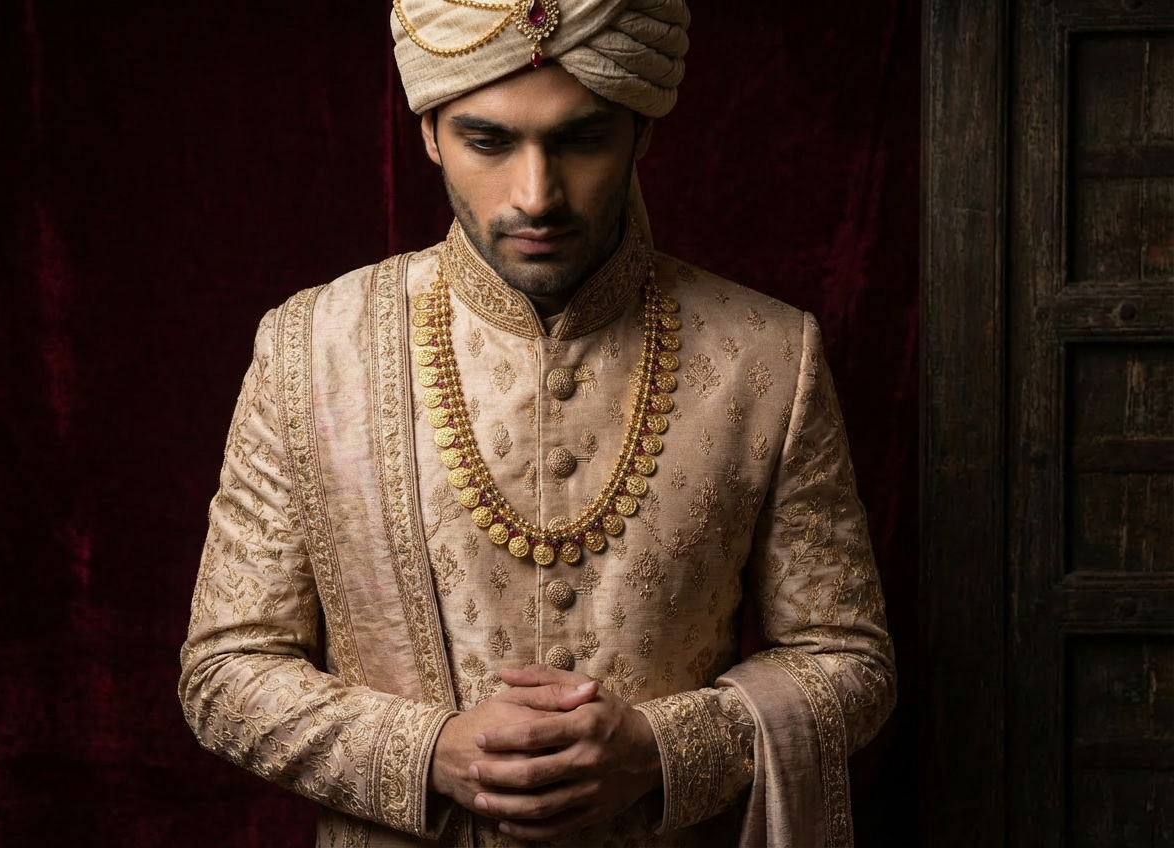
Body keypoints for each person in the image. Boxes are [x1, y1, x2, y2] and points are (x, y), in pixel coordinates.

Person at [178, 2, 895, 846]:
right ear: (430, 132)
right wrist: (432, 753)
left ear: (641, 133)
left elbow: (848, 663)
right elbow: (225, 673)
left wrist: (660, 750)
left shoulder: (768, 353)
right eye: (489, 141)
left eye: (581, 140)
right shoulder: (310, 348)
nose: (536, 196)